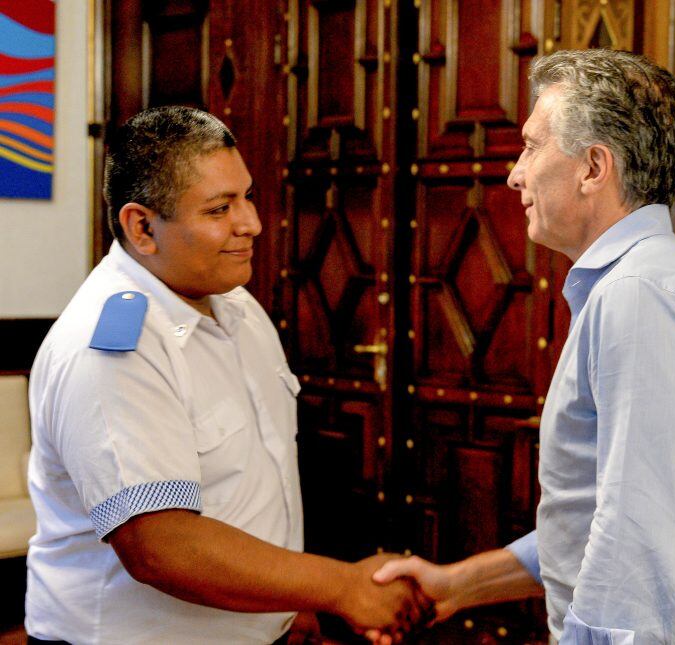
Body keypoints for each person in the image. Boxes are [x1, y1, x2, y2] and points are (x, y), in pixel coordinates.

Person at [370, 49, 675, 644]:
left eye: (532, 146)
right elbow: (594, 516)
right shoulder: (649, 283)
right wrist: (459, 584)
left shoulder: (641, 295)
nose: (514, 172)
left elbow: (638, 534)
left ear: (592, 168)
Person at [25, 106, 429, 645]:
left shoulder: (237, 306)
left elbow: (257, 480)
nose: (252, 224)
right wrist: (341, 588)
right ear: (142, 226)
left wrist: (288, 606)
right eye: (219, 208)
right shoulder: (109, 346)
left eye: (248, 196)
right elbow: (160, 545)